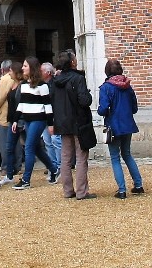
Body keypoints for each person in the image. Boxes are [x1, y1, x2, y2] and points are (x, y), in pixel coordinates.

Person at [98, 58, 145, 199]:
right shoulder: (128, 86)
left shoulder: (106, 87)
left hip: (113, 125)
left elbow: (103, 109)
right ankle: (138, 185)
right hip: (127, 124)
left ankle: (122, 190)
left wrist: (102, 110)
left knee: (115, 157)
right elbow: (134, 108)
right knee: (127, 154)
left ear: (107, 71)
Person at [52, 50, 95, 201]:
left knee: (65, 158)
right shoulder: (77, 79)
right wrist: (88, 94)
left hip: (63, 123)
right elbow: (84, 101)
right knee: (81, 157)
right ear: (71, 62)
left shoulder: (55, 81)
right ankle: (82, 191)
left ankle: (68, 190)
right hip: (78, 121)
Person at [11, 57, 58, 190]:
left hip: (39, 120)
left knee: (29, 147)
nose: (23, 68)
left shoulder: (43, 86)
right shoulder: (24, 85)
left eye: (25, 66)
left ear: (31, 67)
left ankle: (26, 179)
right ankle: (54, 169)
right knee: (36, 148)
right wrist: (15, 119)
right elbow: (22, 104)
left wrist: (50, 124)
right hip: (28, 120)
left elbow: (48, 106)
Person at [40, 62, 62, 173]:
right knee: (47, 142)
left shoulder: (55, 84)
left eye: (42, 71)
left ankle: (60, 165)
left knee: (55, 140)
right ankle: (52, 165)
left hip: (54, 115)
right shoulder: (41, 84)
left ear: (48, 73)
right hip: (44, 115)